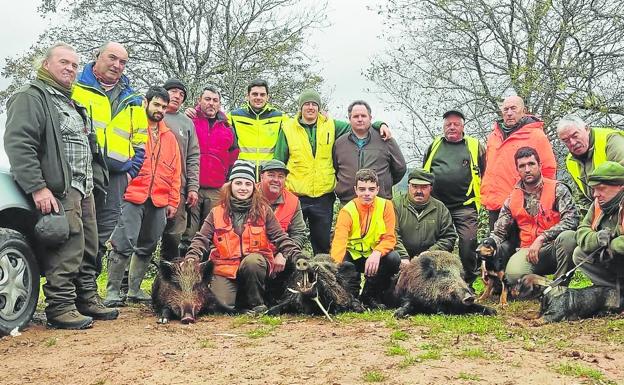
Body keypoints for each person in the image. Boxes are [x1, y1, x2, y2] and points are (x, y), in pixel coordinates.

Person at [4, 42, 117, 329]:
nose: (70, 68)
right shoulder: (31, 97)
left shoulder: (71, 101)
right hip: (58, 188)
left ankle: (86, 298)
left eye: (74, 65)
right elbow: (19, 144)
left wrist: (97, 179)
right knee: (66, 247)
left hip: (85, 187)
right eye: (63, 62)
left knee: (89, 246)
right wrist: (38, 187)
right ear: (46, 65)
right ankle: (61, 307)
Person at [274, 89, 392, 254]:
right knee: (292, 239)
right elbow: (279, 161)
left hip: (324, 196)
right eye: (306, 104)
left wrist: (380, 124)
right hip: (295, 194)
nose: (310, 107)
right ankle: (292, 277)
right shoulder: (287, 128)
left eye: (314, 104)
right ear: (300, 107)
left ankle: (323, 277)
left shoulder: (332, 125)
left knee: (322, 244)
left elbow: (360, 125)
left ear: (319, 107)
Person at [186, 160, 304, 314]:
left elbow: (281, 238)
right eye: (238, 183)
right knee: (221, 307)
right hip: (225, 268)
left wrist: (298, 256)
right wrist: (191, 258)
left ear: (254, 187)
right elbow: (201, 239)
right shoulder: (216, 212)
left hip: (254, 266)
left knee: (252, 261)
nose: (243, 188)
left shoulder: (264, 211)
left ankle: (256, 303)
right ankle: (240, 300)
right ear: (230, 186)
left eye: (247, 184)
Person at [72, 41, 148, 275]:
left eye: (122, 62)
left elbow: (140, 142)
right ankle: (70, 288)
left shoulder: (133, 99)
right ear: (97, 56)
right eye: (112, 58)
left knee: (103, 231)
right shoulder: (75, 87)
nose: (117, 65)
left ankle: (88, 285)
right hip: (80, 170)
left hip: (116, 175)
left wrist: (129, 173)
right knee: (77, 228)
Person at [103, 86, 181, 306]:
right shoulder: (133, 124)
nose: (160, 110)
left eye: (164, 107)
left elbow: (176, 172)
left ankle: (134, 290)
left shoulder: (169, 138)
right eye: (156, 104)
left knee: (148, 244)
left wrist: (173, 201)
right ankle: (112, 291)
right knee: (122, 242)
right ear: (145, 103)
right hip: (132, 194)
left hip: (159, 199)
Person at [478, 147, 579, 283]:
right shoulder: (511, 199)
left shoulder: (558, 189)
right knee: (513, 277)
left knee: (569, 238)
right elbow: (498, 234)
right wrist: (485, 260)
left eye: (531, 164)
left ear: (539, 165)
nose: (527, 169)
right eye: (522, 166)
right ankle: (546, 285)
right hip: (527, 250)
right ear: (517, 170)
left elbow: (572, 220)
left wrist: (542, 237)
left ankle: (560, 287)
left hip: (554, 248)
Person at [423, 110, 485, 284]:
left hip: (465, 205)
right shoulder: (434, 145)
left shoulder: (474, 146)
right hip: (438, 207)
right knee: (438, 245)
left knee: (468, 243)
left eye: (455, 124)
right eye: (448, 124)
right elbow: (424, 173)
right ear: (443, 127)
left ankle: (468, 283)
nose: (451, 127)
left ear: (462, 127)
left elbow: (485, 171)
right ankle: (436, 283)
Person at [481, 96, 557, 230]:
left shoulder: (536, 135)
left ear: (524, 111)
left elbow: (549, 169)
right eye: (505, 109)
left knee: (521, 247)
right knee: (496, 248)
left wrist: (540, 200)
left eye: (513, 108)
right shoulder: (493, 136)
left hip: (523, 204)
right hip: (495, 205)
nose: (509, 113)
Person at [331, 169, 401, 309]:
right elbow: (339, 241)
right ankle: (352, 297)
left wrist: (377, 253)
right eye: (362, 189)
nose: (367, 193)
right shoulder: (347, 211)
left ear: (377, 190)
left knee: (393, 259)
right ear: (356, 190)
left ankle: (370, 295)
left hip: (374, 257)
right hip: (352, 257)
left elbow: (389, 238)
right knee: (344, 266)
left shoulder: (386, 206)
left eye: (371, 189)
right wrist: (335, 267)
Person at [184, 85, 239, 251]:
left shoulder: (227, 127)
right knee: (187, 233)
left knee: (211, 233)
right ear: (199, 100)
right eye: (207, 99)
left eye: (215, 100)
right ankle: (182, 272)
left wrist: (226, 181)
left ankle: (206, 272)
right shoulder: (189, 121)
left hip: (216, 189)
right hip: (192, 186)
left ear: (220, 104)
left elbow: (233, 155)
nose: (211, 103)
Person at [333, 100, 406, 205]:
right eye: (355, 116)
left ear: (370, 118)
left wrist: (384, 185)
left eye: (363, 116)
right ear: (349, 119)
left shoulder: (385, 140)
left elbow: (400, 168)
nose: (360, 119)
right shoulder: (340, 143)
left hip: (380, 203)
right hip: (348, 203)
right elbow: (336, 169)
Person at [159, 78, 200, 261]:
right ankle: (127, 282)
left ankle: (167, 280)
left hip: (178, 188)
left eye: (181, 94)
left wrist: (192, 187)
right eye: (173, 91)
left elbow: (193, 156)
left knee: (173, 236)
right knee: (143, 236)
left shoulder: (186, 123)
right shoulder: (150, 114)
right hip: (149, 187)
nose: (177, 96)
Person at [257, 159, 307, 302]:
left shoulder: (293, 201)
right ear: (261, 177)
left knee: (301, 259)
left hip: (280, 255)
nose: (276, 180)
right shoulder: (249, 194)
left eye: (280, 176)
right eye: (271, 175)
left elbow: (299, 234)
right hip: (253, 254)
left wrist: (283, 254)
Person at [570, 161, 624, 291]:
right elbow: (582, 230)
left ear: (620, 187)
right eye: (594, 189)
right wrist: (597, 239)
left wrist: (612, 245)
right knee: (579, 254)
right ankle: (616, 291)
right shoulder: (598, 204)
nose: (595, 194)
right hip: (614, 261)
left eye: (601, 189)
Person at [393, 168, 458, 264]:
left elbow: (449, 237)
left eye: (423, 187)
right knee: (390, 258)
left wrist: (430, 253)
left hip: (430, 259)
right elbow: (392, 233)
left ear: (430, 188)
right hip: (401, 259)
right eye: (414, 186)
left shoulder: (440, 208)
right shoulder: (395, 205)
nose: (419, 191)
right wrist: (403, 256)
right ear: (408, 186)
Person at [556, 114, 624, 204]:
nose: (572, 142)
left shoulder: (612, 141)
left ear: (587, 129)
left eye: (575, 136)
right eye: (566, 140)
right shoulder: (570, 161)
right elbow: (583, 198)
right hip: (601, 209)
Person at [228, 79, 287, 174]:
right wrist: (195, 112)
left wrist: (320, 117)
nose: (258, 97)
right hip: (244, 173)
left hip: (268, 173)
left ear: (268, 97)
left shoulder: (279, 117)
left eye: (262, 94)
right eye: (255, 94)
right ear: (247, 96)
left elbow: (298, 125)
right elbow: (214, 119)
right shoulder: (234, 116)